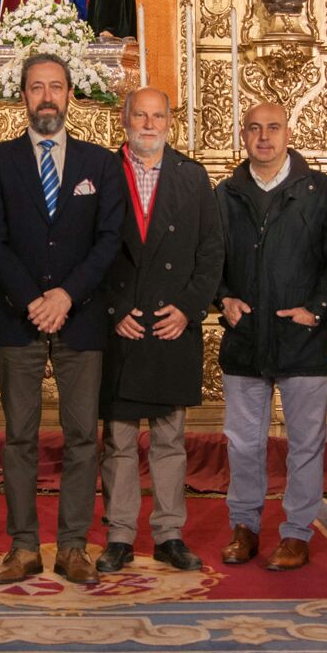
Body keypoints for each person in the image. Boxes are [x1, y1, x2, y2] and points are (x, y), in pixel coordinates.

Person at [0, 53, 126, 585]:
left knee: (84, 435)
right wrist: (32, 300)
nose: (46, 96)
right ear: (22, 95)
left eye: (55, 87)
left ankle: (72, 547)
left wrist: (66, 295)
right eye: (36, 87)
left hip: (81, 317)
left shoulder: (100, 164)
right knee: (19, 436)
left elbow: (109, 240)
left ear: (69, 95)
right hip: (17, 318)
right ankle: (22, 548)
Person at [214, 102, 327, 571]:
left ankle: (297, 532)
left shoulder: (320, 191)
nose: (264, 137)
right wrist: (222, 298)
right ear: (243, 134)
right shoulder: (225, 194)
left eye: (273, 128)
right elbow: (206, 257)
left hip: (302, 339)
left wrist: (317, 309)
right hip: (245, 339)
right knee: (243, 442)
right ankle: (245, 526)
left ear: (287, 133)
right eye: (254, 128)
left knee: (304, 443)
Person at [96, 88, 223, 575]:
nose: (149, 124)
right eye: (140, 115)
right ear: (124, 119)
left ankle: (170, 534)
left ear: (171, 120)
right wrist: (113, 306)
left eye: (158, 116)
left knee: (170, 439)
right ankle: (121, 535)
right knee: (120, 440)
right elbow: (88, 246)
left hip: (173, 325)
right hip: (122, 325)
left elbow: (212, 251)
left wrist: (189, 309)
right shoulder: (104, 172)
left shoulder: (192, 176)